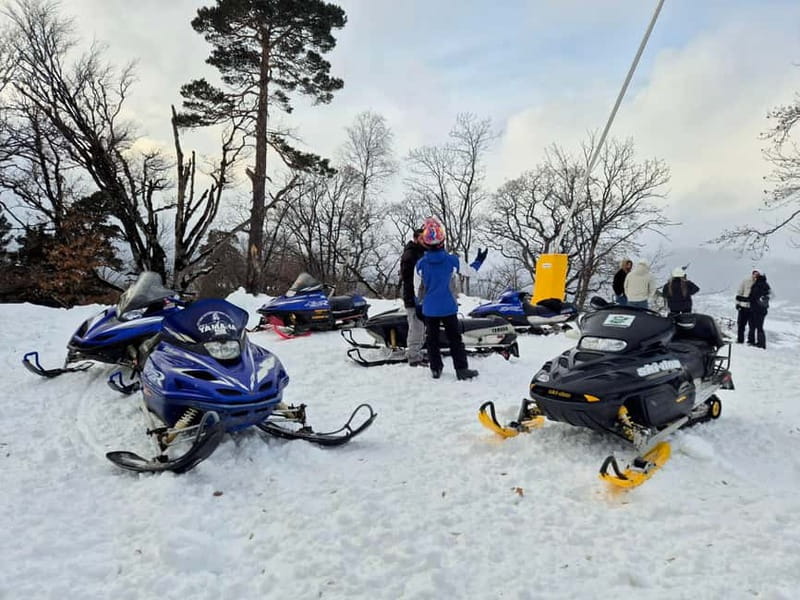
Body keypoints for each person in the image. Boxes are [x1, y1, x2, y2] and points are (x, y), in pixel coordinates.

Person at [414, 216, 487, 380]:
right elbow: (471, 272)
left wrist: (418, 306)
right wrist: (479, 260)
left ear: (425, 242)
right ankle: (461, 370)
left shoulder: (420, 264)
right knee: (455, 340)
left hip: (430, 309)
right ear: (443, 240)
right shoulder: (452, 260)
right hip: (448, 307)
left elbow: (415, 288)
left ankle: (435, 369)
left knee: (432, 341)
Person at [400, 226, 427, 366]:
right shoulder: (410, 255)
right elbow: (407, 278)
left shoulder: (422, 252)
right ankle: (413, 356)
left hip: (422, 297)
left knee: (421, 327)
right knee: (416, 327)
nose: (425, 240)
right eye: (422, 238)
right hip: (413, 297)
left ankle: (417, 352)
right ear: (416, 238)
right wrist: (416, 295)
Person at [735, 270, 759, 344]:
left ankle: (751, 341)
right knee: (741, 324)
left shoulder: (760, 283)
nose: (756, 276)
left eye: (757, 274)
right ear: (752, 274)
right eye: (755, 274)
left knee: (752, 325)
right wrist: (737, 304)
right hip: (743, 306)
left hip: (753, 308)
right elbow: (739, 292)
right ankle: (740, 340)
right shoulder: (746, 281)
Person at [747, 273, 771, 349]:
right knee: (760, 327)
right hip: (763, 310)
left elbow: (752, 296)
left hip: (755, 309)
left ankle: (755, 342)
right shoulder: (766, 285)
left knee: (753, 326)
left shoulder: (757, 285)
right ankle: (761, 343)